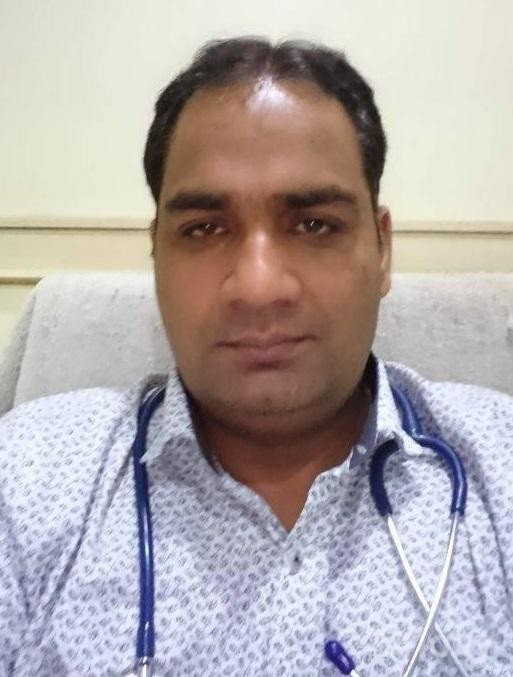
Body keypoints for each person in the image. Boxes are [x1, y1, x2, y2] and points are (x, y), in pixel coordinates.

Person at [0, 37, 512, 677]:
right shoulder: (24, 485)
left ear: (382, 251)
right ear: (157, 251)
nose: (259, 287)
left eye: (315, 224)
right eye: (205, 229)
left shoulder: (502, 466)